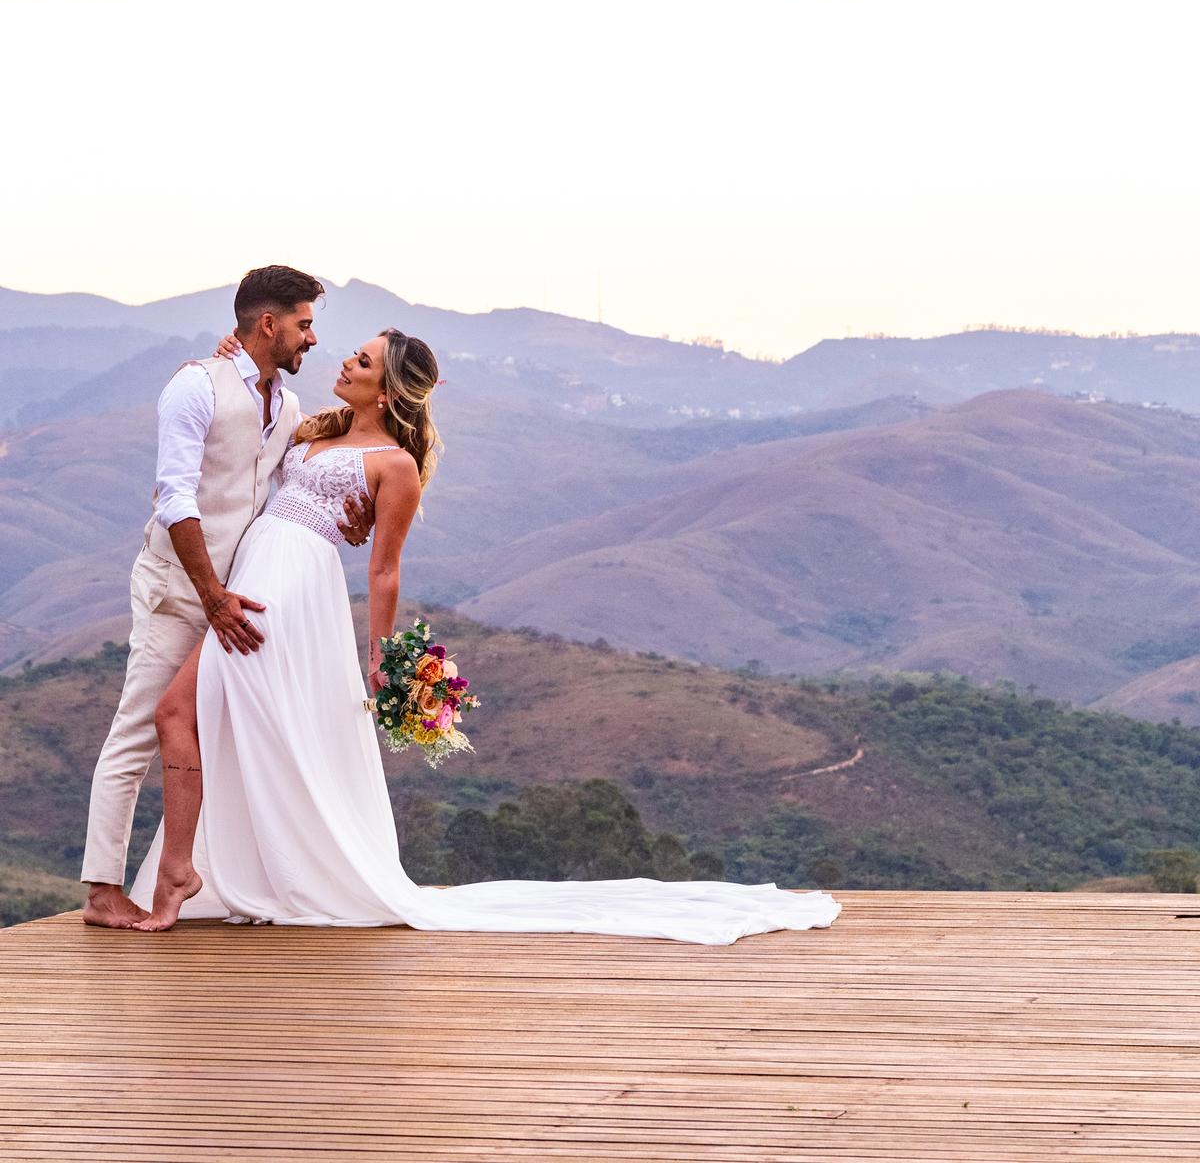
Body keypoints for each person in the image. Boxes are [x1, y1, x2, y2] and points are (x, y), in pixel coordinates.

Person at [130, 326, 840, 945]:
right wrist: (231, 361)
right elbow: (249, 430)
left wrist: (379, 656)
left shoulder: (395, 465)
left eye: (364, 362)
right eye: (353, 355)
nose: (345, 363)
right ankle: (225, 869)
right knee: (226, 723)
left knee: (186, 714)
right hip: (257, 569)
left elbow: (384, 569)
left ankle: (187, 874)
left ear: (389, 390)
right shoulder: (316, 429)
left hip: (286, 594)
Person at [81, 264, 373, 929]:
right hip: (181, 593)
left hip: (236, 601)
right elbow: (175, 497)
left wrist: (349, 520)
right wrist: (211, 597)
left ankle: (238, 877)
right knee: (139, 729)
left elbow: (287, 488)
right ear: (269, 324)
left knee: (229, 736)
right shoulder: (195, 385)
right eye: (303, 324)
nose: (312, 338)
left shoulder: (288, 407)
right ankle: (101, 891)